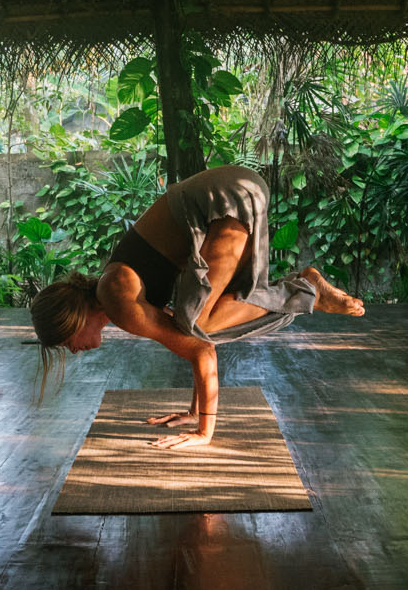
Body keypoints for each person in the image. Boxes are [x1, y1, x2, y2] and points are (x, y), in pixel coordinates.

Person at [29, 164, 365, 449]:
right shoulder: (112, 287)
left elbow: (200, 349)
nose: (73, 351)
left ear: (71, 321)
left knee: (198, 324)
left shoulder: (117, 300)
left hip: (223, 201)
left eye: (65, 343)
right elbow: (190, 342)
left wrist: (204, 431)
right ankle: (304, 288)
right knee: (197, 322)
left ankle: (307, 290)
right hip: (236, 190)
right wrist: (193, 410)